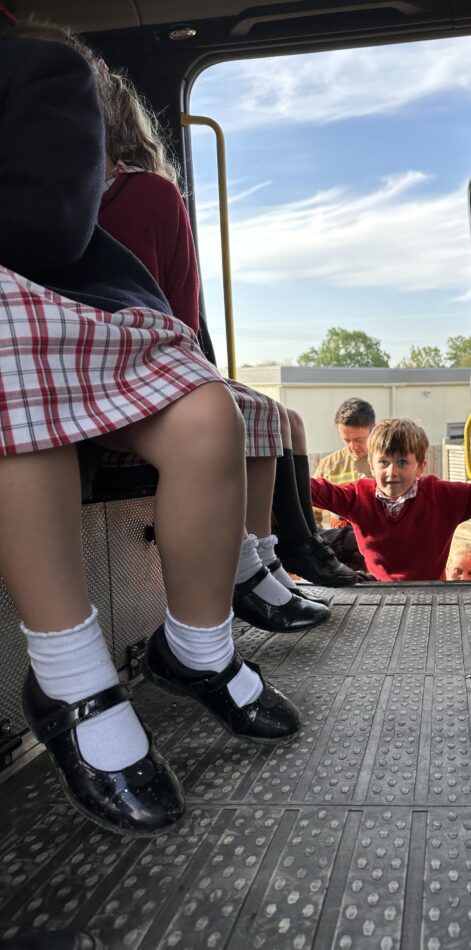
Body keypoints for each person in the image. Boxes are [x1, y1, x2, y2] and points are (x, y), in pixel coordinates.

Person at [0, 13, 299, 836]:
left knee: (210, 417)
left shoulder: (32, 70)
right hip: (13, 336)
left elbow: (51, 223)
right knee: (10, 367)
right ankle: (66, 673)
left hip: (63, 300)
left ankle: (196, 646)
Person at [90, 63, 352, 623]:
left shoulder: (73, 207)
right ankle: (251, 565)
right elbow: (181, 316)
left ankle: (262, 560)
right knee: (240, 411)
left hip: (103, 369)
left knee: (257, 411)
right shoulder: (150, 195)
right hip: (130, 374)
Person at [311, 419, 471, 581]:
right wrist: (281, 464)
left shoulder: (439, 495)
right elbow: (316, 491)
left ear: (420, 467)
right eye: (384, 462)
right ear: (371, 465)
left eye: (403, 462)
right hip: (380, 591)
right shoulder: (358, 496)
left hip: (430, 592)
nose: (392, 471)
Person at [313, 397, 376, 527]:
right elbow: (312, 514)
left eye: (359, 439)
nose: (353, 447)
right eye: (346, 440)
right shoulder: (328, 466)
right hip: (338, 544)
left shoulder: (387, 464)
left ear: (373, 430)